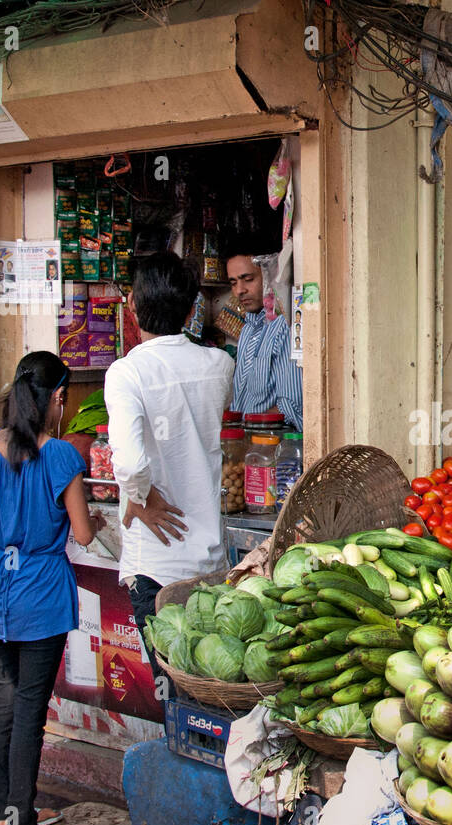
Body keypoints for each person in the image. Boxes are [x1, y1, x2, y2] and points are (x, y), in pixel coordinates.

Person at [0, 351, 104, 825]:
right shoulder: (61, 456)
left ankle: (1, 812)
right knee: (28, 710)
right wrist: (89, 523)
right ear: (58, 399)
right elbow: (82, 533)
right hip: (39, 593)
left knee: (4, 702)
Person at [104, 252, 235, 682]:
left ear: (133, 307)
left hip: (156, 565)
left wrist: (141, 497)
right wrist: (140, 492)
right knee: (209, 684)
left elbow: (128, 461)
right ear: (192, 308)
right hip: (209, 560)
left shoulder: (127, 373)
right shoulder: (219, 364)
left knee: (174, 690)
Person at [224, 244, 303, 431]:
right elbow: (241, 403)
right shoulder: (247, 330)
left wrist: (248, 428)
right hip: (247, 447)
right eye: (233, 283)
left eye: (248, 279)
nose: (239, 290)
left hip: (272, 449)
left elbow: (292, 406)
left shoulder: (284, 326)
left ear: (269, 275)